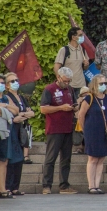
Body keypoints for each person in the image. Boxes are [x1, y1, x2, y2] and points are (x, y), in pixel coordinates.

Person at [40, 67, 78, 195]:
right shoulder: (49, 89)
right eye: (65, 81)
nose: (67, 83)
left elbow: (74, 103)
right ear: (58, 77)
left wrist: (75, 107)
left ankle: (64, 185)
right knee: (51, 158)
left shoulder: (70, 89)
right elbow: (43, 109)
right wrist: (61, 108)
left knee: (66, 158)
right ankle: (46, 185)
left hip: (68, 127)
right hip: (55, 128)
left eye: (69, 81)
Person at [78, 74, 107, 194]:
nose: (103, 86)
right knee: (93, 158)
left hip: (105, 131)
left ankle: (97, 184)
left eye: (105, 83)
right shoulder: (89, 98)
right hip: (92, 131)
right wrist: (85, 130)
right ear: (95, 84)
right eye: (101, 83)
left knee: (101, 158)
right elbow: (81, 115)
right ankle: (91, 185)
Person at [4, 72, 34, 196]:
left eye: (16, 80)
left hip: (21, 129)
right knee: (12, 158)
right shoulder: (7, 97)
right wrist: (21, 114)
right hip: (11, 129)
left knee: (20, 158)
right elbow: (10, 113)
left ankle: (15, 187)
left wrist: (23, 114)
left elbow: (31, 112)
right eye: (12, 81)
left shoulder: (21, 97)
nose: (15, 83)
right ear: (7, 85)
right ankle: (8, 186)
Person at [54, 27, 90, 98]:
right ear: (73, 37)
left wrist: (86, 65)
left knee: (81, 105)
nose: (82, 37)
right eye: (80, 35)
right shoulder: (64, 50)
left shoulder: (82, 50)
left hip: (81, 85)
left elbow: (85, 68)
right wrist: (60, 79)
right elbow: (56, 67)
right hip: (69, 85)